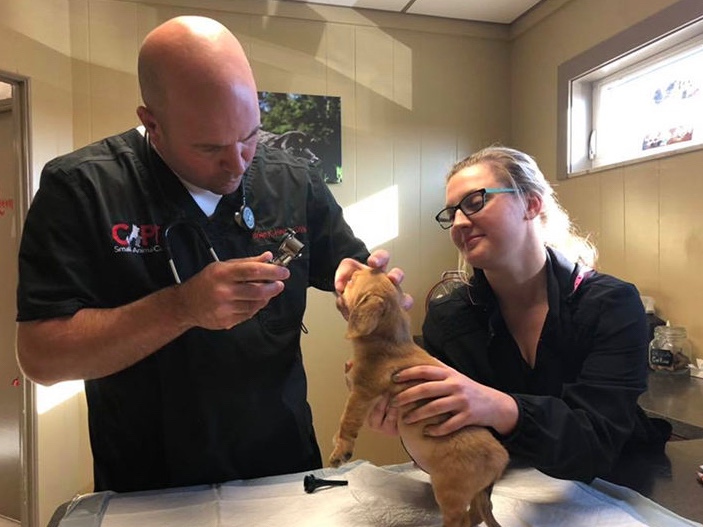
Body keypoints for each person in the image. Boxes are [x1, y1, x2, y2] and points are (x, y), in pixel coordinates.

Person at [16, 15, 405, 493]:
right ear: (151, 124)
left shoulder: (291, 177)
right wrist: (182, 307)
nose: (239, 162)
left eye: (249, 136)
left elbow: (350, 267)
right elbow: (40, 356)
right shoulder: (81, 188)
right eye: (211, 148)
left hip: (282, 473)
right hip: (152, 487)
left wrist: (367, 286)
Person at [369, 145, 670, 483]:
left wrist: (500, 407)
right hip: (507, 497)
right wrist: (411, 424)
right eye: (451, 213)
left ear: (531, 203)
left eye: (474, 202)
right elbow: (452, 447)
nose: (459, 223)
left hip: (617, 495)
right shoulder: (448, 319)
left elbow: (595, 444)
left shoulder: (612, 305)